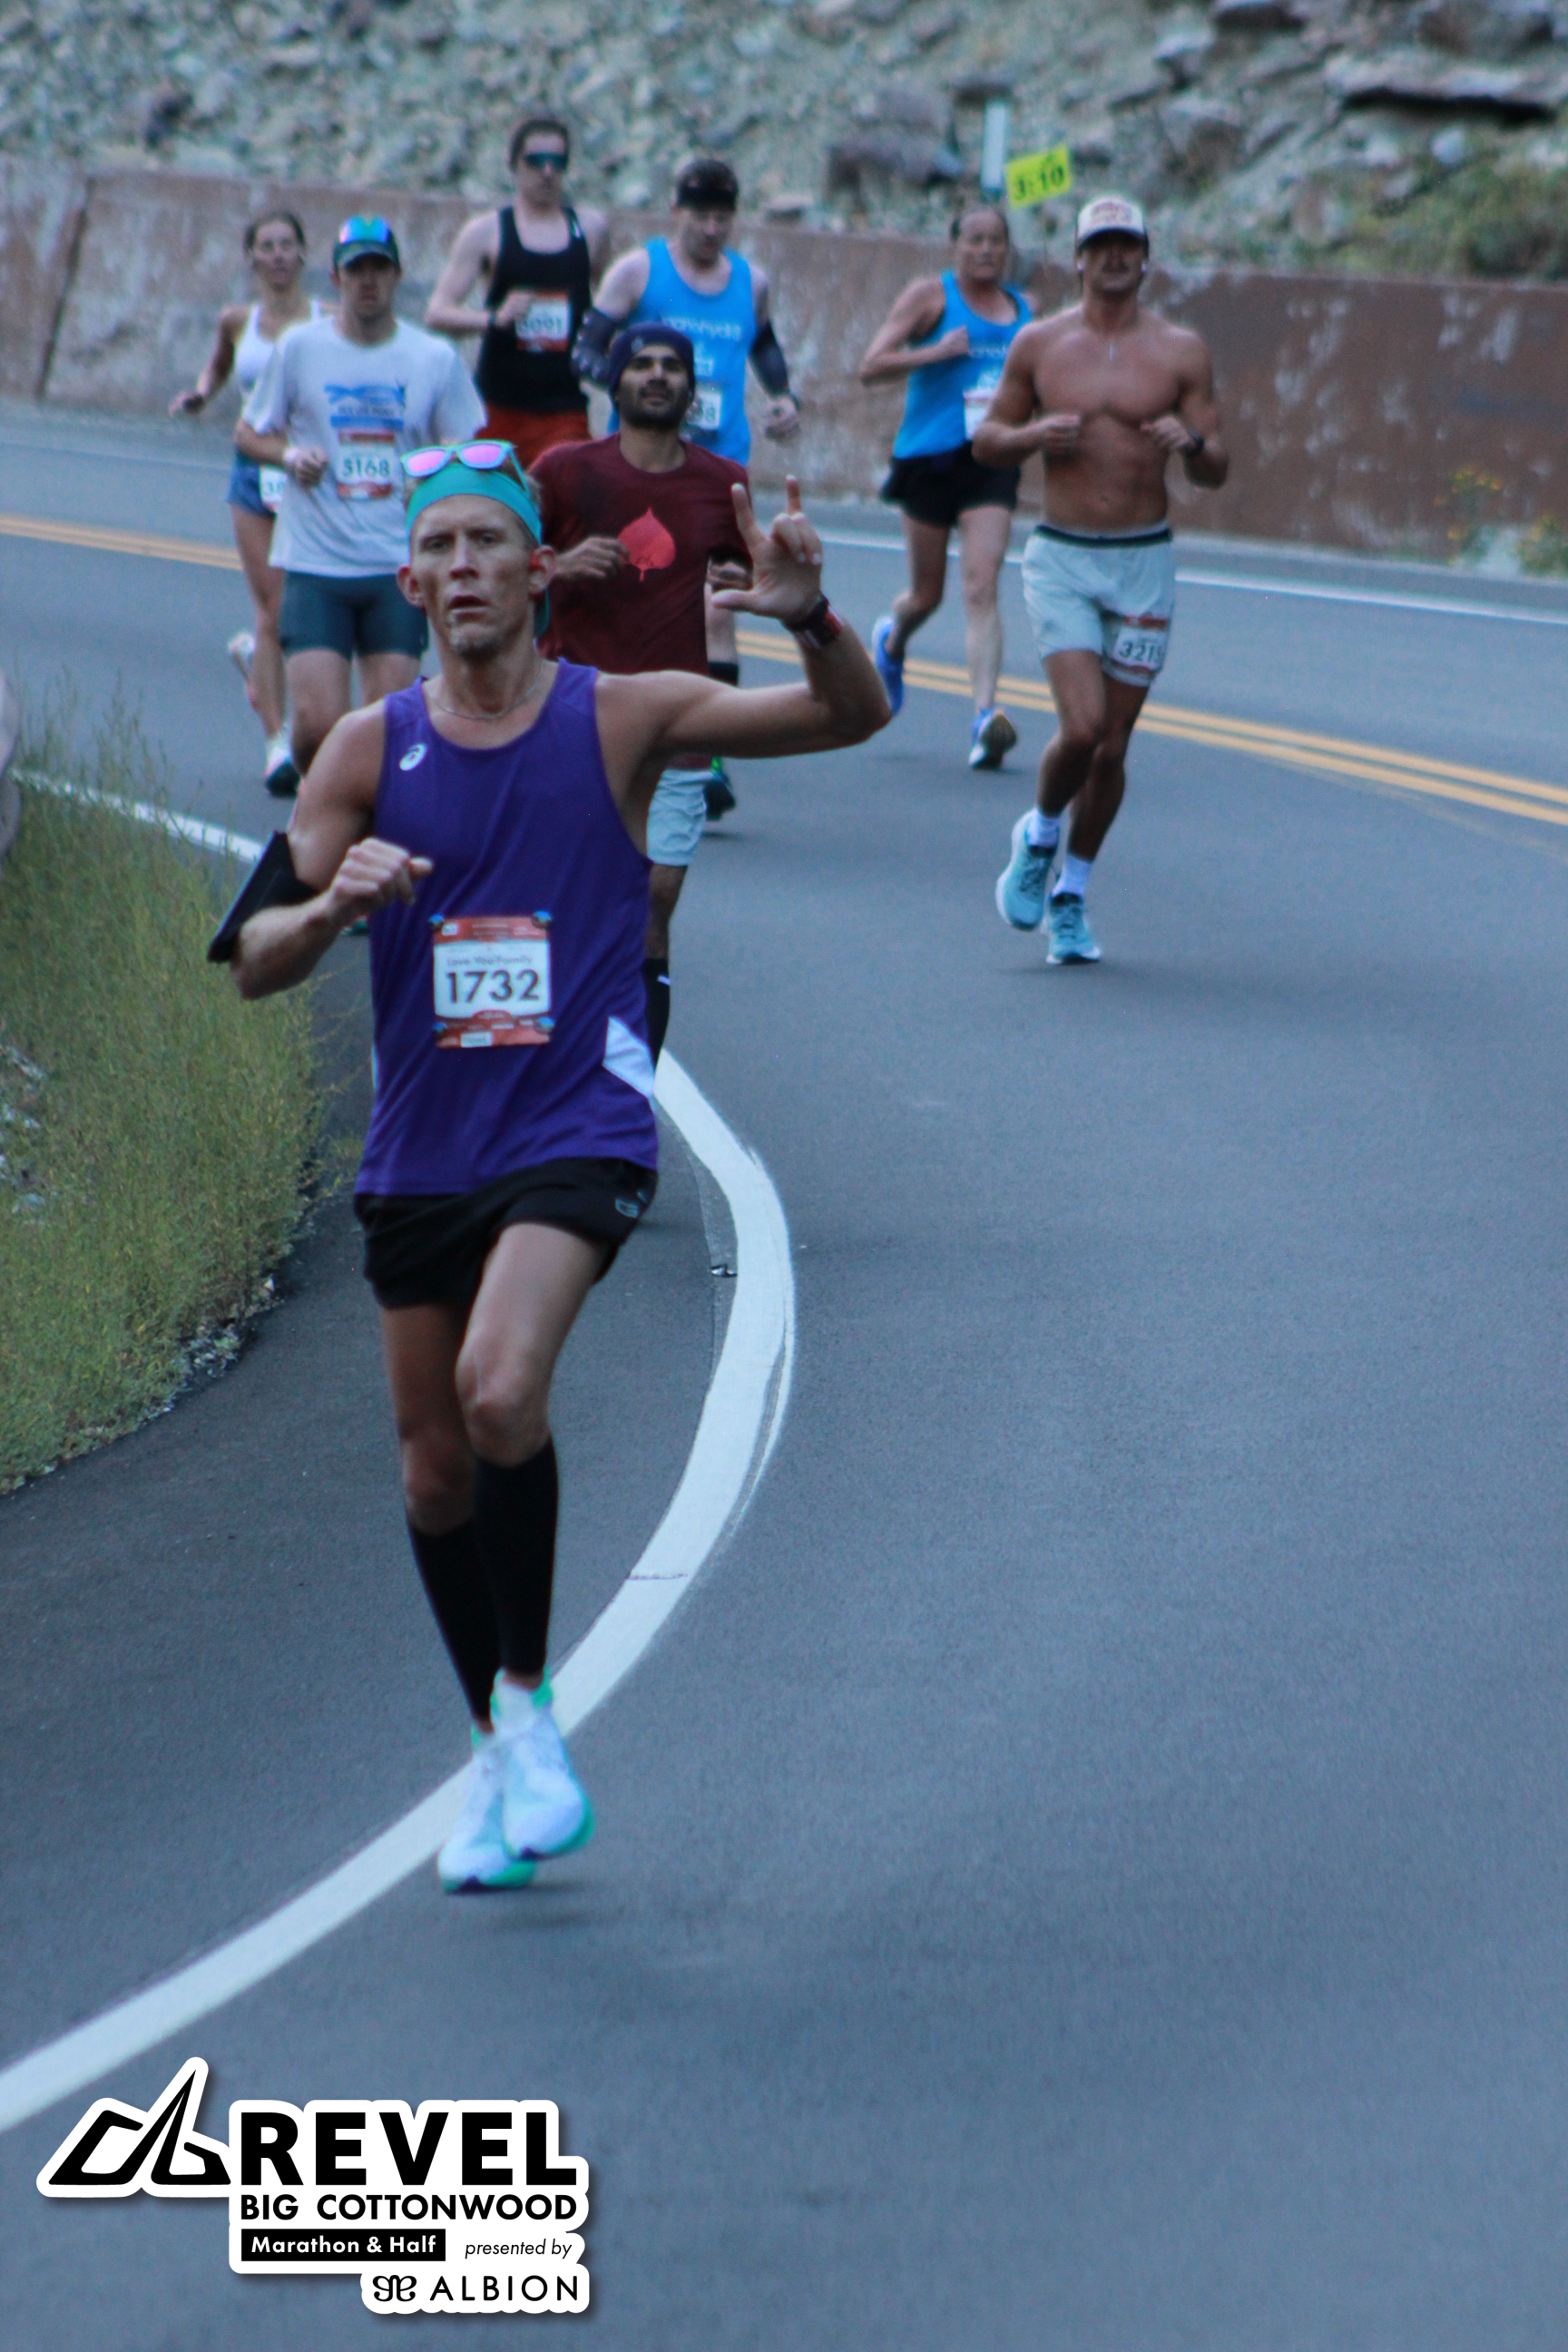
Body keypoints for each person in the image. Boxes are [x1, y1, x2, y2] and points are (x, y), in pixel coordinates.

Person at [214, 444, 887, 1891]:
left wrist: (812, 619)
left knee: (499, 1389)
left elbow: (850, 717)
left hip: (576, 1122)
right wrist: (328, 909)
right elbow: (252, 961)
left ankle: (527, 1705)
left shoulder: (622, 715)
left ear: (539, 570)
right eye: (437, 547)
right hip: (422, 1148)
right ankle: (499, 1742)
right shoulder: (363, 752)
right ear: (410, 584)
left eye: (486, 543)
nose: (461, 566)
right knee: (433, 1475)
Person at [978, 196, 1228, 964]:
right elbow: (987, 440)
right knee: (1082, 729)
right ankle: (1039, 836)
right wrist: (1032, 434)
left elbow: (1217, 467)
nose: (1114, 257)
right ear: (1078, 258)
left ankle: (1071, 896)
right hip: (1063, 557)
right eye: (1101, 245)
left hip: (1143, 561)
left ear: (1146, 257)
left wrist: (1191, 445)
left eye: (1128, 245)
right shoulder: (1040, 344)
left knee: (1112, 750)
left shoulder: (1181, 351)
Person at [534, 324, 751, 1066]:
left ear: (692, 390)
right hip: (571, 723)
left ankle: (627, 1101)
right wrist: (558, 566)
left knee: (651, 911)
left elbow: (759, 575)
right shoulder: (565, 471)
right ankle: (555, 1073)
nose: (657, 376)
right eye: (642, 365)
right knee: (562, 909)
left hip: (673, 736)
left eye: (672, 368)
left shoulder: (723, 484)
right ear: (615, 381)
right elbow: (500, 562)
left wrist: (746, 583)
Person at [578, 156, 801, 820]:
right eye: (700, 215)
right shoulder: (638, 272)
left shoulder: (752, 283)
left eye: (722, 217)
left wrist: (782, 396)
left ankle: (709, 756)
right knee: (635, 596)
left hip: (717, 466)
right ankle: (618, 735)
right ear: (676, 211)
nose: (710, 229)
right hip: (640, 463)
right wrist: (644, 393)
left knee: (717, 606)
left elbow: (764, 347)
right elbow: (586, 350)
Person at [235, 215, 485, 784]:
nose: (367, 281)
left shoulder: (433, 358)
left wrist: (436, 476)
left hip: (395, 563)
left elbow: (465, 446)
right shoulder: (300, 348)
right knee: (317, 727)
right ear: (336, 278)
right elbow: (248, 433)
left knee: (385, 728)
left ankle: (362, 825)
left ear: (397, 276)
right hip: (316, 562)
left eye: (378, 269)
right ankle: (320, 805)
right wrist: (290, 456)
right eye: (356, 271)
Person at [859, 203, 1030, 772]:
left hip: (990, 459)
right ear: (955, 246)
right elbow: (871, 365)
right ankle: (892, 640)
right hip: (928, 458)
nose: (986, 250)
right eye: (975, 240)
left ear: (1008, 248)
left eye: (996, 241)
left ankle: (984, 717)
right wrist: (936, 351)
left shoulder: (1024, 312)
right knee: (925, 597)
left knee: (982, 586)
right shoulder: (931, 297)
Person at [170, 210, 324, 798]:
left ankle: (259, 663)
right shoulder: (239, 320)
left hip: (309, 471)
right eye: (267, 246)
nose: (278, 255)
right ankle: (277, 744)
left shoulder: (326, 321)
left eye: (287, 244)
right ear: (252, 257)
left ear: (303, 254)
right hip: (255, 472)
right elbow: (219, 367)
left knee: (309, 607)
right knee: (275, 607)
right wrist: (200, 394)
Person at [424, 113, 608, 470]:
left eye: (557, 162)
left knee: (565, 494)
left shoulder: (590, 230)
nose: (547, 172)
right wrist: (494, 318)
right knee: (493, 500)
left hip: (563, 408)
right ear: (513, 165)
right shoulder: (487, 232)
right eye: (536, 161)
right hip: (497, 406)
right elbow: (437, 312)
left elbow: (609, 309)